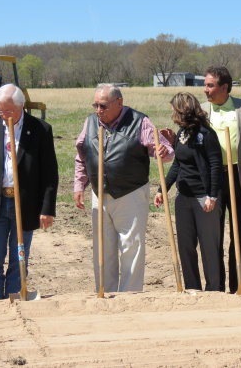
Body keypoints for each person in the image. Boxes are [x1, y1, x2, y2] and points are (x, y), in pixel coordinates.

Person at [74, 83, 173, 293]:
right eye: (96, 105)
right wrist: (79, 185)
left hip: (131, 193)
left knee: (131, 247)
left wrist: (163, 152)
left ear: (119, 103)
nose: (98, 110)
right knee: (103, 247)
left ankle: (130, 294)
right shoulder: (90, 122)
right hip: (99, 193)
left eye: (103, 106)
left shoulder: (140, 121)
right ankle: (105, 292)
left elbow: (164, 151)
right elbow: (81, 156)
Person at [0, 84, 58, 300]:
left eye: (8, 111)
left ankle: (16, 297)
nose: (3, 115)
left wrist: (47, 208)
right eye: (0, 110)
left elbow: (49, 173)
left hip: (24, 204)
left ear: (22, 107)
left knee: (20, 257)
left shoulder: (40, 130)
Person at [154, 92, 222, 291]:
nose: (172, 113)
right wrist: (162, 189)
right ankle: (193, 287)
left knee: (208, 246)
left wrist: (212, 195)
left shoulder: (206, 135)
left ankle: (214, 289)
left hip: (204, 198)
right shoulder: (181, 134)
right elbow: (178, 164)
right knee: (186, 246)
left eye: (174, 109)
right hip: (183, 198)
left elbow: (215, 165)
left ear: (183, 110)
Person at [202, 66, 241, 293]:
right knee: (213, 233)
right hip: (213, 179)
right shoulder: (201, 111)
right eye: (205, 85)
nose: (205, 90)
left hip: (240, 177)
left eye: (210, 85)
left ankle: (239, 286)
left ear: (224, 87)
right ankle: (215, 287)